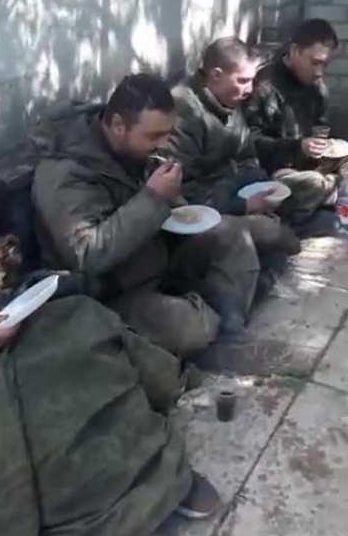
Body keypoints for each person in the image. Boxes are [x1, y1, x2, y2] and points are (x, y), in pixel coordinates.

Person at [0, 166, 219, 536]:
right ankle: (111, 517)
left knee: (85, 332)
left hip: (3, 339)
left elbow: (6, 282)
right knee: (35, 410)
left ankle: (145, 466)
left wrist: (16, 295)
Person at [32, 73, 261, 350]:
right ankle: (208, 318)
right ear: (118, 125)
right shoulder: (66, 171)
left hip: (153, 257)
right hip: (112, 290)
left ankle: (229, 326)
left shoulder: (133, 150)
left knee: (233, 234)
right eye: (154, 136)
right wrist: (153, 198)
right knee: (190, 327)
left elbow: (160, 210)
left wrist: (173, 201)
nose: (163, 145)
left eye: (167, 134)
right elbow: (86, 254)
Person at [167, 36, 301, 259]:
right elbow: (182, 192)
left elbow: (247, 154)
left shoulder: (228, 98)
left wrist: (259, 188)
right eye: (243, 80)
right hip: (201, 212)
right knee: (276, 238)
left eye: (252, 80)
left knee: (286, 193)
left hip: (230, 190)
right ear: (216, 75)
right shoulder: (184, 111)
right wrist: (243, 205)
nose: (249, 89)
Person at [245, 19, 342, 234]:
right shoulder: (266, 86)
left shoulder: (317, 88)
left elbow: (321, 128)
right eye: (315, 62)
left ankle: (327, 200)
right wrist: (297, 146)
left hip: (308, 165)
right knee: (315, 184)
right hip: (273, 173)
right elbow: (249, 142)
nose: (319, 72)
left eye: (325, 65)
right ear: (295, 51)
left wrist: (325, 147)